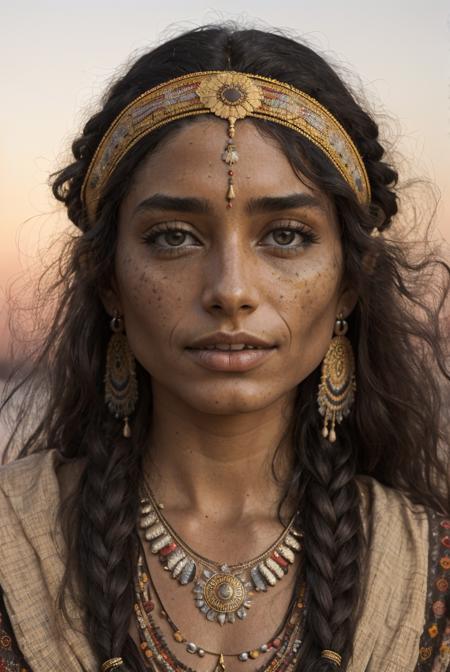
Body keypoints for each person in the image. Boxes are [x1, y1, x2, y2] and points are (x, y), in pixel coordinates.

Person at [0, 22, 449, 672]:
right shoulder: (16, 543)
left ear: (349, 286)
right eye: (175, 237)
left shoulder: (423, 573)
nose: (231, 290)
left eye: (287, 236)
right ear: (110, 285)